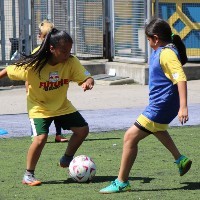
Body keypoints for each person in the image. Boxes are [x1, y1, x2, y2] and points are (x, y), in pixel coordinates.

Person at [99, 18, 192, 194]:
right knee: (156, 129)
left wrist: (184, 107)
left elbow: (181, 78)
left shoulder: (167, 54)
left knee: (129, 137)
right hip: (162, 104)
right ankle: (180, 159)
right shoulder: (162, 50)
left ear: (155, 38)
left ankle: (121, 181)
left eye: (148, 39)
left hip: (162, 105)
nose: (148, 43)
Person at [0, 28, 94, 186]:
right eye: (64, 51)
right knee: (40, 138)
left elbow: (86, 76)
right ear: (52, 48)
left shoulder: (70, 61)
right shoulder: (34, 64)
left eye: (69, 50)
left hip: (62, 105)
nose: (68, 54)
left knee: (82, 130)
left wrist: (88, 82)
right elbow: (9, 70)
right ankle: (28, 175)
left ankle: (67, 158)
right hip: (39, 107)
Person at [27, 19, 68, 142]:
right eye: (44, 36)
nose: (46, 39)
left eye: (48, 37)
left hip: (53, 87)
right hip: (39, 91)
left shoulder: (57, 53)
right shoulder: (37, 53)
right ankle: (36, 134)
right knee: (36, 113)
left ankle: (58, 134)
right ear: (40, 37)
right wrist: (28, 87)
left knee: (58, 110)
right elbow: (28, 72)